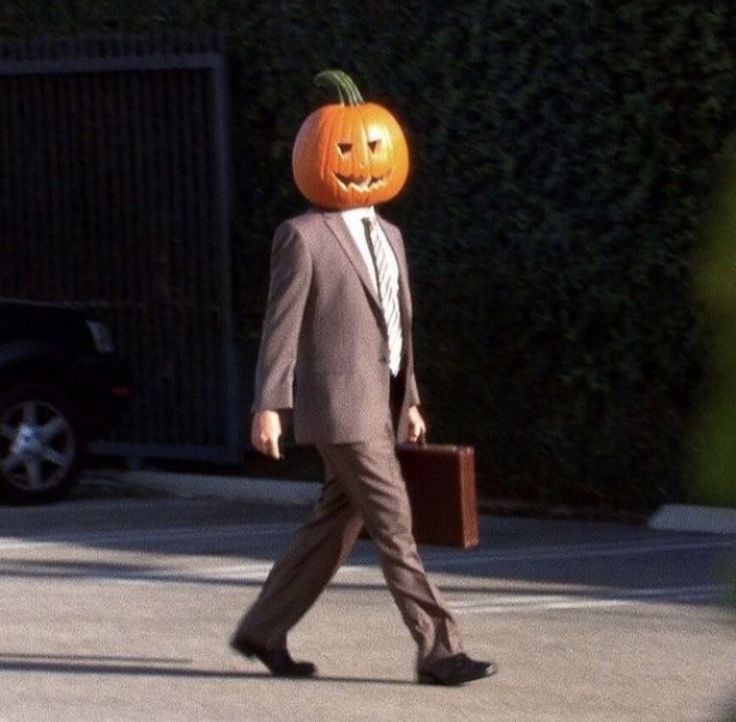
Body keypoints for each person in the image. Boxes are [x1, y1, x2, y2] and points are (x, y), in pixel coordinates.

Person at [230, 70, 495, 686]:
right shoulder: (302, 237)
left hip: (385, 402)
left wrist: (414, 400)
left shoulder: (392, 236)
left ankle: (263, 629)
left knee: (336, 521)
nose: (363, 161)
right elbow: (281, 323)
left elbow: (398, 330)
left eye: (374, 148)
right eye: (348, 150)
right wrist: (269, 403)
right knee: (395, 522)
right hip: (340, 407)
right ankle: (439, 650)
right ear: (320, 157)